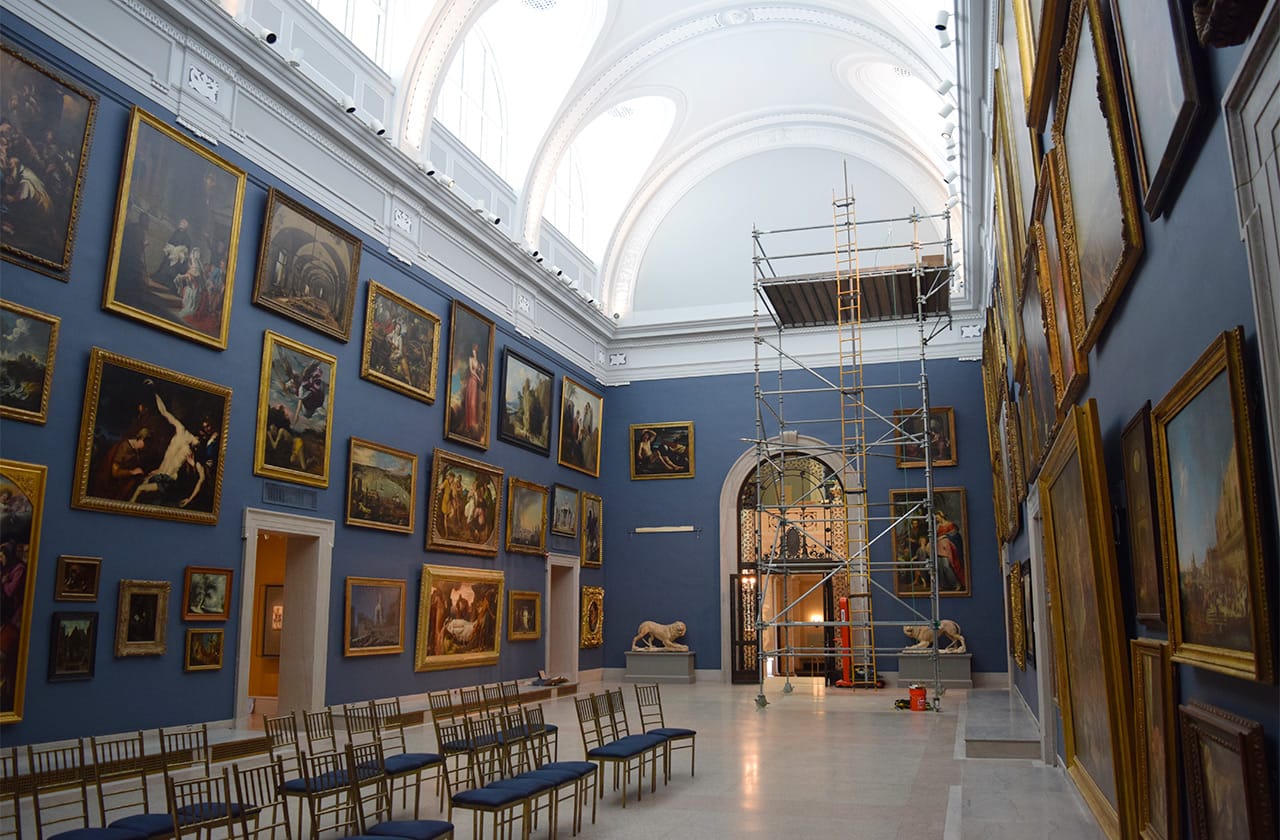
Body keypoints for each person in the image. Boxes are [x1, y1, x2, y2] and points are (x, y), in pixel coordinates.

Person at [463, 343, 484, 437]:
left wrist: (482, 371)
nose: (474, 350)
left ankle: (472, 424)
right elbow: (472, 371)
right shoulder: (470, 359)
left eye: (476, 349)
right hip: (471, 381)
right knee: (470, 403)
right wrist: (477, 377)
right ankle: (468, 424)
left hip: (475, 383)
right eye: (473, 349)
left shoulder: (478, 361)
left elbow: (480, 374)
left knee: (474, 404)